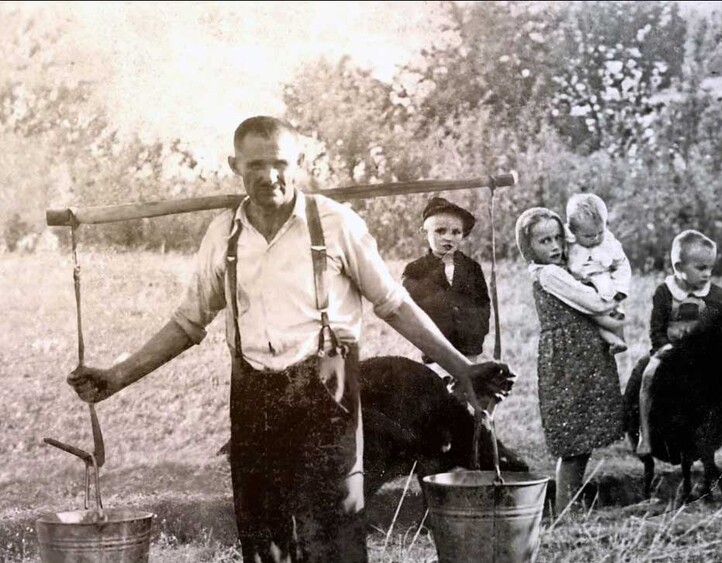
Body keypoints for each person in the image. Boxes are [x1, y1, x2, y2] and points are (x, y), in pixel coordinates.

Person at [66, 116, 513, 563]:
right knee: (263, 539)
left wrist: (463, 368)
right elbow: (187, 322)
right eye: (255, 164)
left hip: (328, 388)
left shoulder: (337, 224)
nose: (269, 176)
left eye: (279, 162)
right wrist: (117, 376)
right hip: (254, 394)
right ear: (234, 165)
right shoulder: (224, 233)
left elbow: (394, 304)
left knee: (335, 532)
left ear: (297, 163)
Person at [515, 207, 624, 513]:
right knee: (574, 436)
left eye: (557, 239)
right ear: (529, 247)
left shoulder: (560, 268)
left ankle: (570, 503)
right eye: (544, 241)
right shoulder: (548, 274)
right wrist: (608, 297)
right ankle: (566, 507)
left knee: (582, 433)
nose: (554, 247)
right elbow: (589, 301)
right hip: (568, 357)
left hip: (582, 352)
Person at [635, 229, 722, 456]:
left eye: (710, 268)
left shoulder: (717, 295)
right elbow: (656, 328)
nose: (707, 274)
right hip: (670, 351)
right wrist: (665, 348)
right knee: (648, 377)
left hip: (703, 354)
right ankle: (644, 436)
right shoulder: (665, 293)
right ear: (678, 267)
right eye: (700, 268)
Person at [402, 197, 491, 384]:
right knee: (440, 395)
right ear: (424, 232)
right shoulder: (415, 270)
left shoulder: (471, 268)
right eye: (440, 231)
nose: (448, 238)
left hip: (468, 347)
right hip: (436, 349)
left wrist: (476, 331)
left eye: (456, 232)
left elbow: (483, 303)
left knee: (466, 394)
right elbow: (409, 310)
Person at [564, 193, 632, 354]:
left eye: (600, 232)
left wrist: (621, 290)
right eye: (588, 235)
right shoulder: (569, 244)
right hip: (580, 287)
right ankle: (613, 340)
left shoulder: (609, 243)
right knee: (590, 318)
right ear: (573, 231)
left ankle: (619, 339)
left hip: (605, 286)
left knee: (615, 314)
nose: (595, 238)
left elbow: (622, 265)